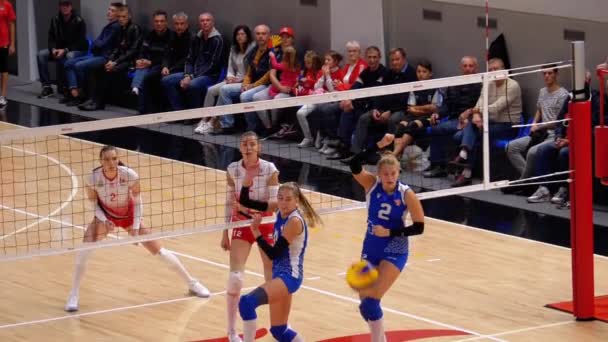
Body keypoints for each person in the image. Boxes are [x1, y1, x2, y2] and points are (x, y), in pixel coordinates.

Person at [64, 145, 210, 312]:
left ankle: (193, 283)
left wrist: (135, 226)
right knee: (85, 250)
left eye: (114, 159)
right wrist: (104, 220)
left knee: (160, 252)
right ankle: (73, 294)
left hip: (129, 215)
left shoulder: (129, 175)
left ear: (118, 159)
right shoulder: (92, 178)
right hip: (106, 216)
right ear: (100, 161)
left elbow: (139, 201)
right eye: (106, 159)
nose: (111, 163)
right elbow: (94, 204)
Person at [348, 133, 425, 341]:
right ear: (379, 174)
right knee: (365, 305)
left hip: (395, 247)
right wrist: (378, 144)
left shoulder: (406, 194)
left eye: (393, 173)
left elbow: (419, 227)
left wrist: (390, 232)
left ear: (398, 173)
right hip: (371, 245)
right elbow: (354, 163)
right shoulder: (371, 185)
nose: (389, 177)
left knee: (372, 302)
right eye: (386, 174)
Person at [237, 181, 322, 342]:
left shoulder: (294, 222)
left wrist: (256, 231)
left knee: (247, 303)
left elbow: (273, 254)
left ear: (297, 201)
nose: (283, 203)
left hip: (289, 277)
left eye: (288, 199)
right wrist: (246, 185)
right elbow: (247, 202)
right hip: (279, 275)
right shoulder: (280, 208)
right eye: (280, 198)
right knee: (279, 330)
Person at [222, 131, 279, 341]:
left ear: (259, 148)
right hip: (242, 224)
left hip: (264, 224)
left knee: (272, 279)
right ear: (240, 148)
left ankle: (279, 324)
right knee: (235, 278)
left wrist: (250, 210)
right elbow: (229, 202)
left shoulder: (269, 169)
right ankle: (231, 331)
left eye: (252, 144)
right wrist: (224, 232)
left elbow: (274, 204)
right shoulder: (233, 169)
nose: (248, 147)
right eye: (244, 144)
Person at [195, 25, 253, 134]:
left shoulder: (252, 49)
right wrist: (230, 76)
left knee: (224, 90)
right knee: (211, 90)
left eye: (242, 34)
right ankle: (204, 120)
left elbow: (251, 72)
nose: (240, 37)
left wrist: (238, 80)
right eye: (238, 34)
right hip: (233, 80)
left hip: (245, 81)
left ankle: (213, 122)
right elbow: (230, 67)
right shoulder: (234, 48)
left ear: (247, 36)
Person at [62, 2, 121, 107]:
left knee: (78, 65)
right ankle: (74, 92)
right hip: (97, 55)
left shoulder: (115, 27)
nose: (109, 12)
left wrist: (95, 45)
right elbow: (97, 43)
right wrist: (95, 45)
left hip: (105, 57)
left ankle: (82, 95)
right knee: (68, 63)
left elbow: (101, 43)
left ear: (118, 14)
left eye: (112, 11)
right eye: (109, 10)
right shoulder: (109, 26)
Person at [162, 12, 224, 111]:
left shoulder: (217, 40)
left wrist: (191, 77)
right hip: (192, 73)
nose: (205, 23)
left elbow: (212, 65)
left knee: (192, 85)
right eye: (202, 21)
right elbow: (189, 59)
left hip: (209, 75)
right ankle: (179, 111)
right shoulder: (197, 38)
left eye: (207, 20)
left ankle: (194, 115)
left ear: (213, 23)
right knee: (166, 80)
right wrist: (187, 75)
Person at [37, 0, 88, 99]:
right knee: (41, 55)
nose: (65, 8)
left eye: (67, 5)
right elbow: (51, 37)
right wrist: (52, 49)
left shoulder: (79, 21)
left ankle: (71, 89)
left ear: (71, 7)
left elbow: (80, 42)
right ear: (59, 7)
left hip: (77, 50)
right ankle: (47, 86)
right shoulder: (55, 19)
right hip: (59, 49)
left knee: (69, 56)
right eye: (62, 5)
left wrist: (65, 50)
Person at [130, 10, 172, 114]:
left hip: (161, 65)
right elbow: (142, 50)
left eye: (161, 21)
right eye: (156, 21)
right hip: (148, 63)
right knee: (141, 68)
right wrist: (139, 60)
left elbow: (167, 56)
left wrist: (151, 62)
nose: (159, 24)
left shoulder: (171, 36)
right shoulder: (150, 34)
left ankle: (137, 91)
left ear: (166, 22)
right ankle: (141, 108)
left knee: (147, 76)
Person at [0, 0, 15, 107]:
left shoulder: (6, 4)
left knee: (3, 70)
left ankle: (3, 96)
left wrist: (12, 43)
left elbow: (11, 24)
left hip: (3, 42)